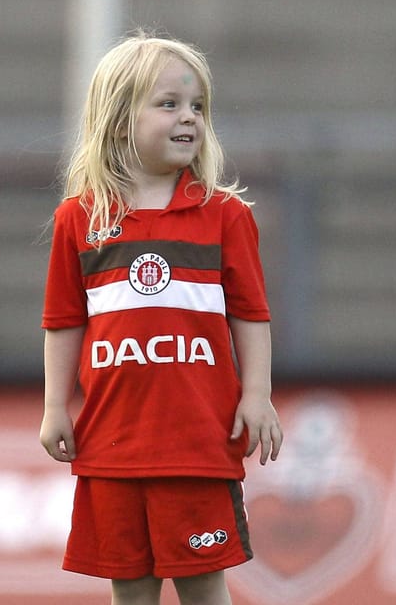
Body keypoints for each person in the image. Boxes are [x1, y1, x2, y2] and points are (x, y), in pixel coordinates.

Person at [40, 33, 282, 605]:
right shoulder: (79, 219)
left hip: (197, 448)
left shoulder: (224, 215)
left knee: (204, 589)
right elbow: (63, 318)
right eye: (168, 104)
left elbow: (251, 313)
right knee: (133, 591)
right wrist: (55, 406)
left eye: (197, 107)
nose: (189, 119)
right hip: (113, 448)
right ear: (120, 119)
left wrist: (257, 394)